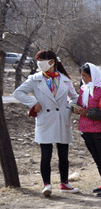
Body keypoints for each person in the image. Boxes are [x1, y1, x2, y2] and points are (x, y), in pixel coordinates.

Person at [14, 50, 80, 196]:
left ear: (52, 62)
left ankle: (64, 183)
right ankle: (47, 185)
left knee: (63, 154)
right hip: (45, 119)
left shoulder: (64, 79)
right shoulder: (34, 78)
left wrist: (70, 107)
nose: (39, 63)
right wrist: (33, 103)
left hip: (62, 119)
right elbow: (18, 93)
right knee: (46, 154)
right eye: (38, 60)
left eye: (42, 60)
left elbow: (75, 97)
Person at [72, 63, 101, 196]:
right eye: (82, 76)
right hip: (86, 128)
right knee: (96, 158)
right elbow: (80, 103)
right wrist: (76, 108)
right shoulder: (83, 89)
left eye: (85, 75)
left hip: (99, 129)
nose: (83, 78)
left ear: (92, 75)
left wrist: (88, 113)